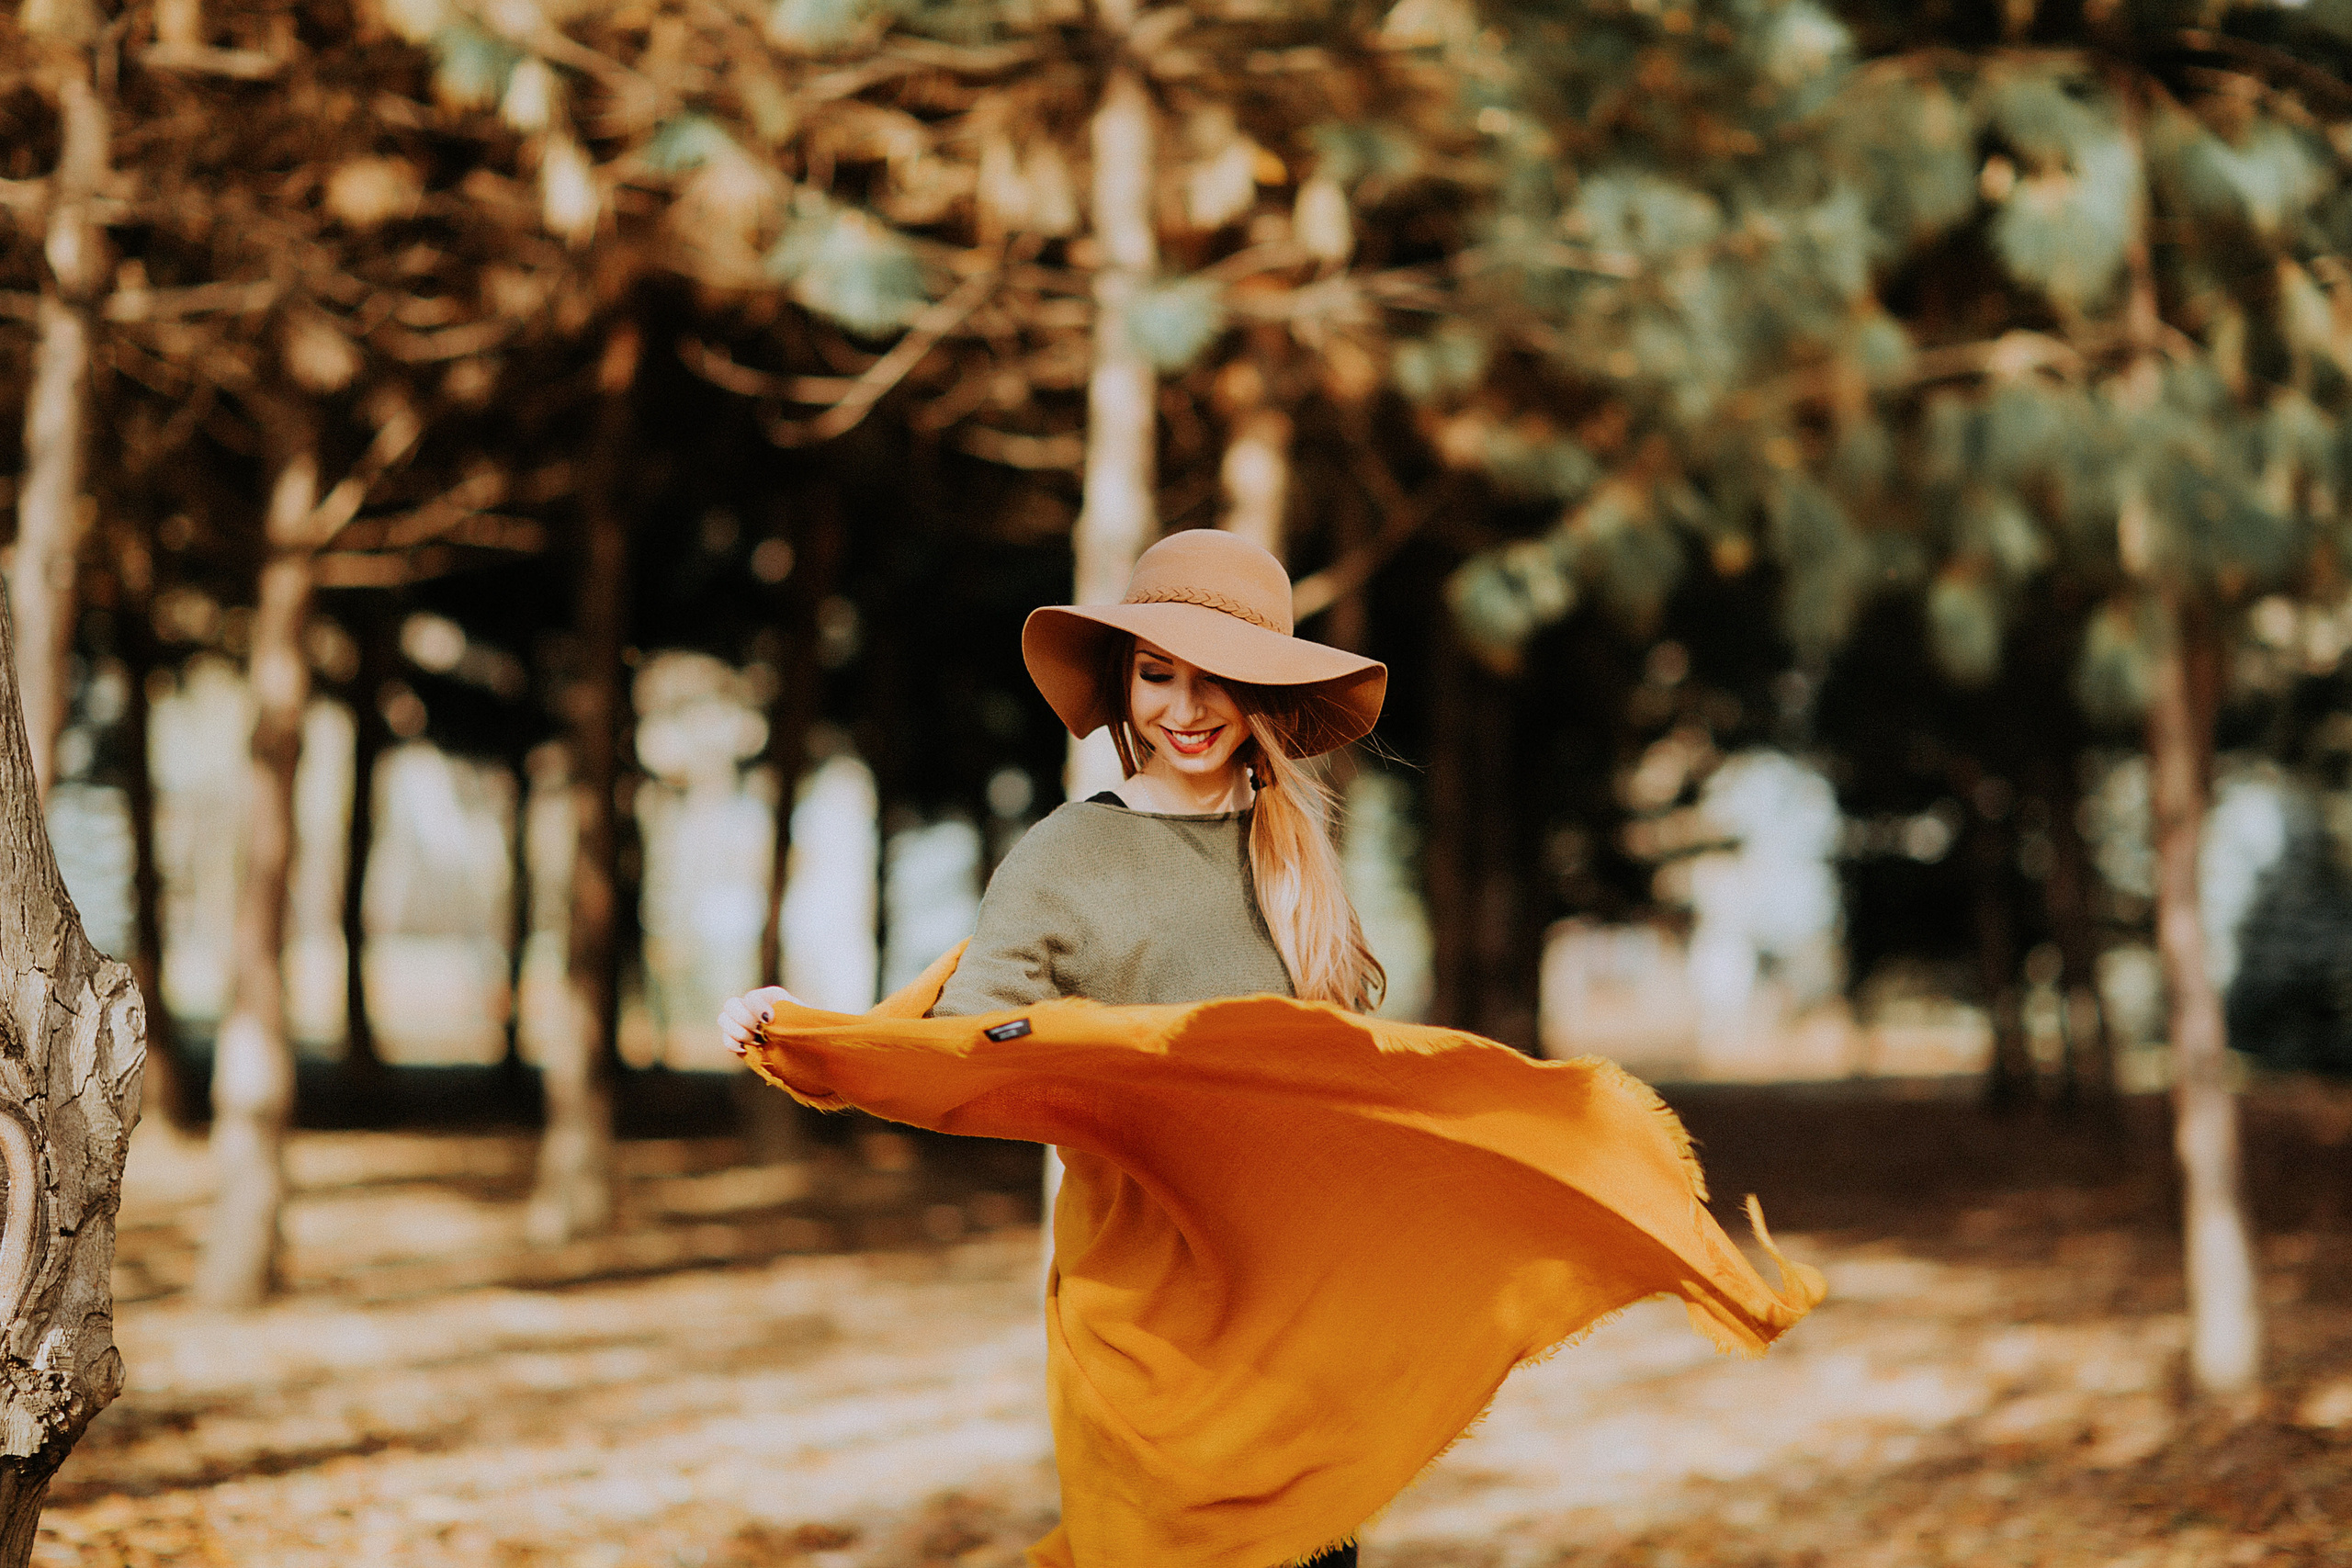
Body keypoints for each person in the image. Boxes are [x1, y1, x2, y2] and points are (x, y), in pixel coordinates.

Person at [720, 529, 1821, 1568]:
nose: (1187, 709)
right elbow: (969, 1043)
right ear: (1122, 684)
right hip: (1141, 1318)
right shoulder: (1067, 856)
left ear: (1265, 694)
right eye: (1158, 674)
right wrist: (813, 1033)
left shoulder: (1295, 859)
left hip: (1296, 1327)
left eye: (1219, 678)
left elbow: (1335, 1090)